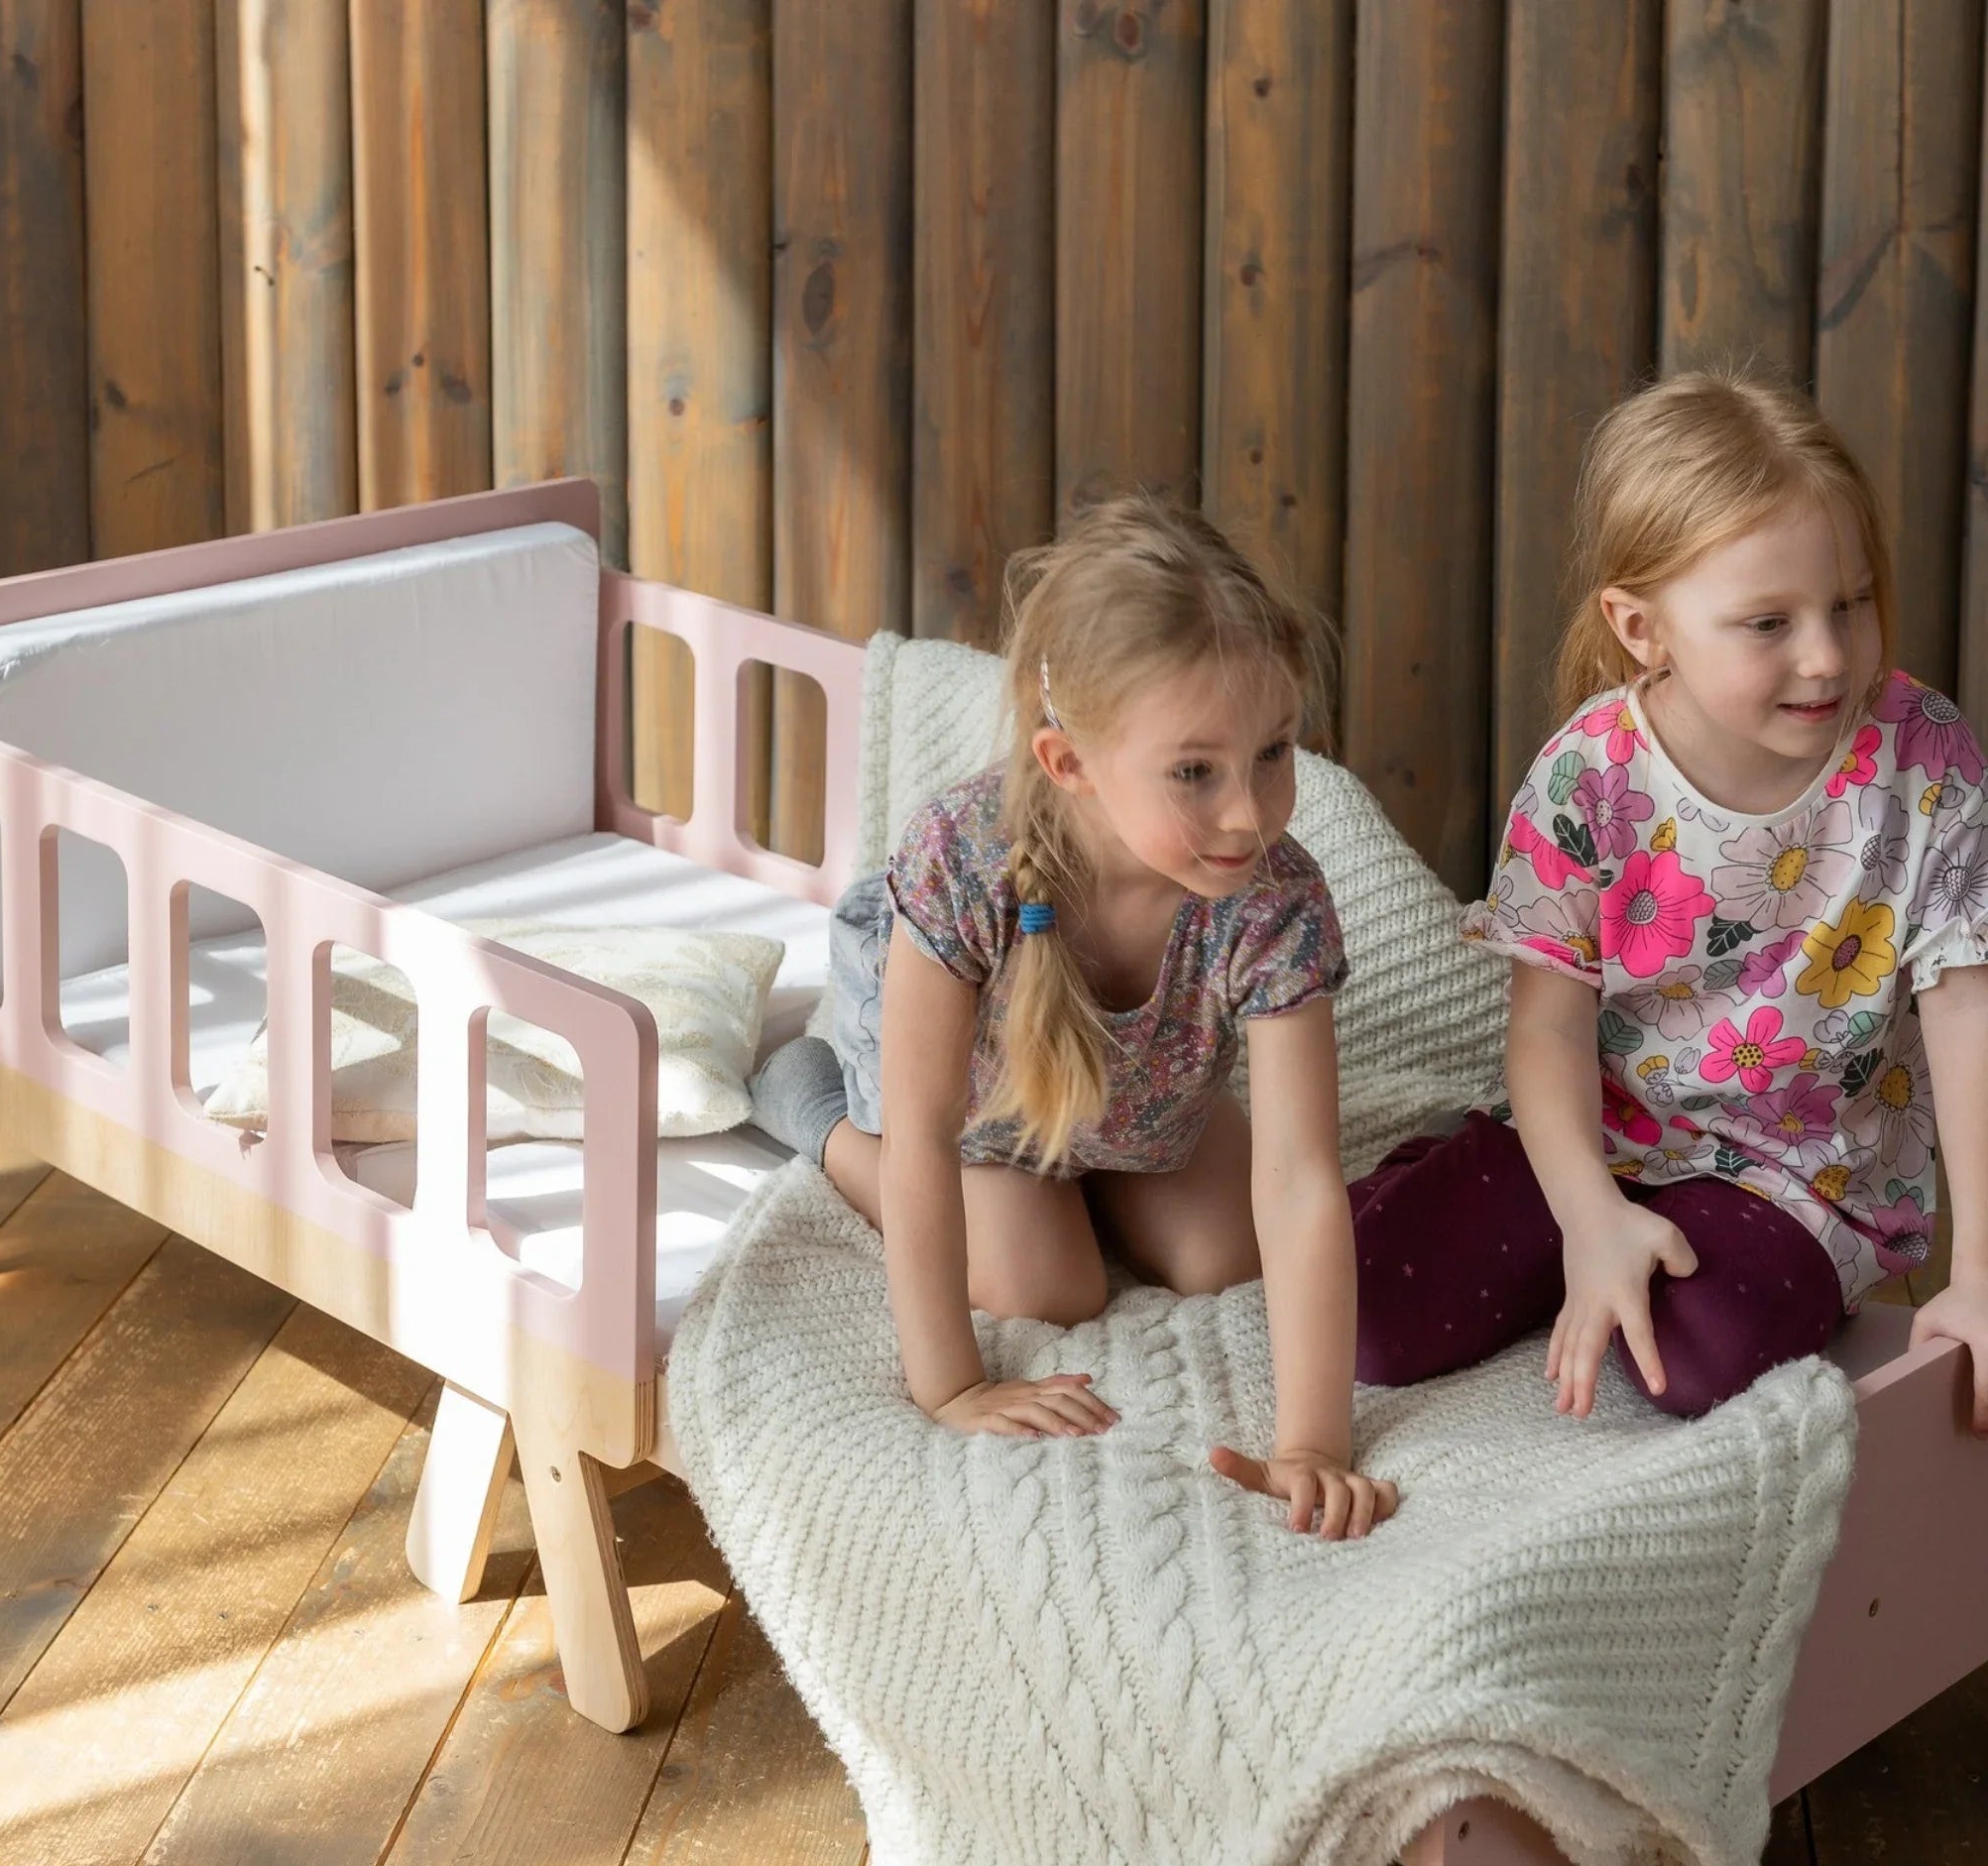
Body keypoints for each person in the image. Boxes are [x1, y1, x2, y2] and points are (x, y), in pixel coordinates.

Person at [1349, 368, 1988, 1429]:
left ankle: (1620, 1248)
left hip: (1797, 1170)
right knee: (1363, 1310)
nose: (1826, 654)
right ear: (1642, 629)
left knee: (1690, 1361)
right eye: (1766, 622)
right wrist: (1588, 1211)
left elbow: (1966, 1010)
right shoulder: (1586, 775)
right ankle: (1522, 1204)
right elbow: (1547, 1033)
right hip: (1601, 1127)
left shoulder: (1921, 755)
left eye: (1850, 600)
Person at [751, 496, 1397, 1538]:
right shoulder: (965, 862)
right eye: (1194, 771)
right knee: (1043, 1285)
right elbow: (918, 1138)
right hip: (971, 1107)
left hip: (1135, 1095)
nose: (1246, 812)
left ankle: (1093, 1172)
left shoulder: (1269, 896)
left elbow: (1299, 1175)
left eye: (1271, 753)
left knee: (1229, 1250)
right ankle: (814, 1108)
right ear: (1070, 764)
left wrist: (1313, 1442)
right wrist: (950, 1387)